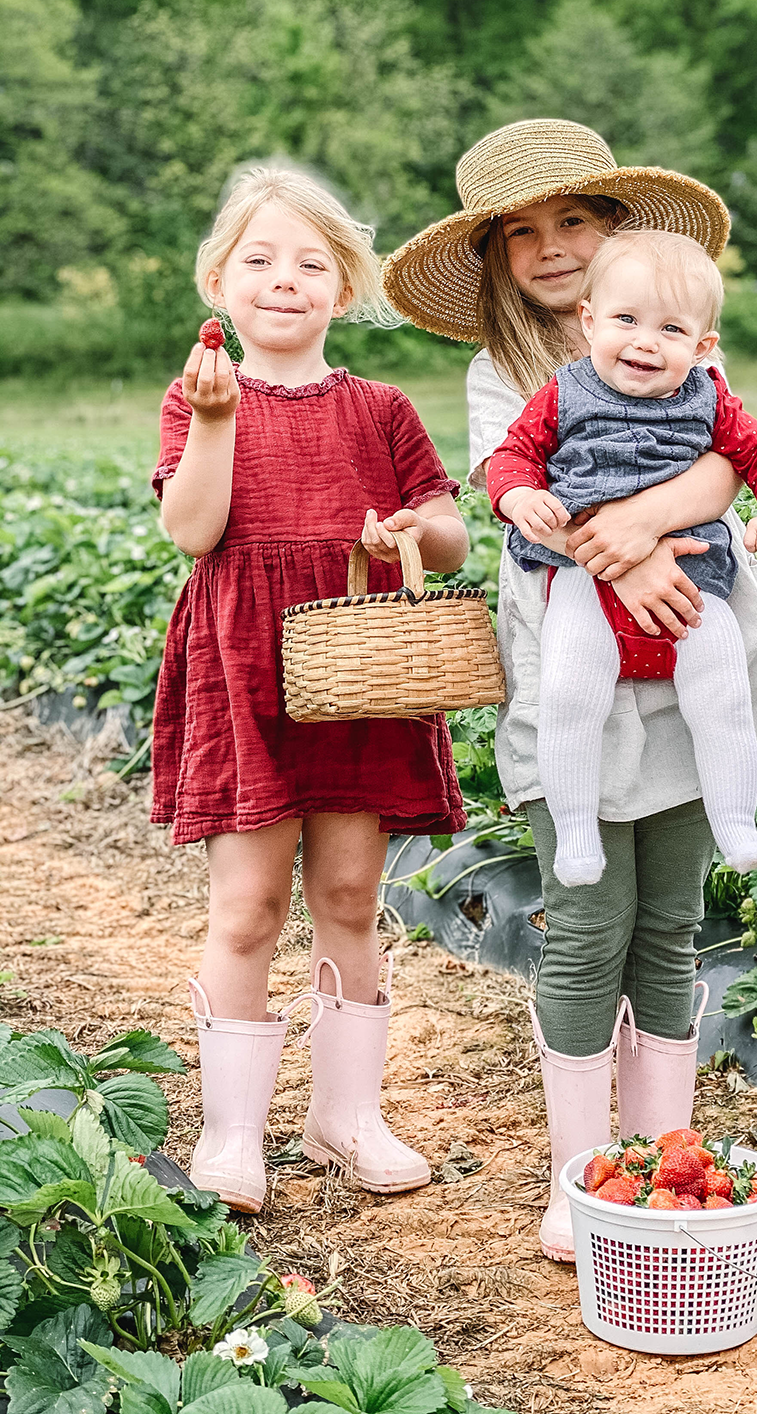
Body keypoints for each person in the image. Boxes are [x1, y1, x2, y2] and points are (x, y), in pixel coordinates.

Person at [384, 118, 757, 1260]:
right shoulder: (499, 378)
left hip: (685, 673)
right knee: (585, 927)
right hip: (570, 676)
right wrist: (624, 540)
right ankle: (581, 1179)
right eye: (521, 233)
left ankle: (660, 1157)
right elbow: (515, 496)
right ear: (496, 263)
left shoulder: (673, 340)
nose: (552, 244)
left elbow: (730, 457)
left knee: (668, 925)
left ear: (618, 228)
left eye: (574, 218)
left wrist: (642, 518)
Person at [153, 162, 470, 1214]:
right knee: (245, 905)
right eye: (258, 258)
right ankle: (232, 1131)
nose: (282, 278)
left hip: (358, 668)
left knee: (347, 894)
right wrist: (209, 424)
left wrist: (407, 529)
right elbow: (193, 531)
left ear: (346, 287)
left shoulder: (379, 407)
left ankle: (345, 1117)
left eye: (310, 262)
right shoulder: (200, 397)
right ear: (218, 282)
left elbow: (453, 529)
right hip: (247, 669)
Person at [487, 227, 757, 887]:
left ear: (702, 345)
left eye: (669, 329)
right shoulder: (561, 391)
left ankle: (737, 822)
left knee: (721, 688)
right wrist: (518, 496)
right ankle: (575, 830)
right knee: (570, 690)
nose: (644, 341)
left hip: (692, 576)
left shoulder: (710, 396)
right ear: (590, 319)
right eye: (626, 320)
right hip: (581, 573)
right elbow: (515, 454)